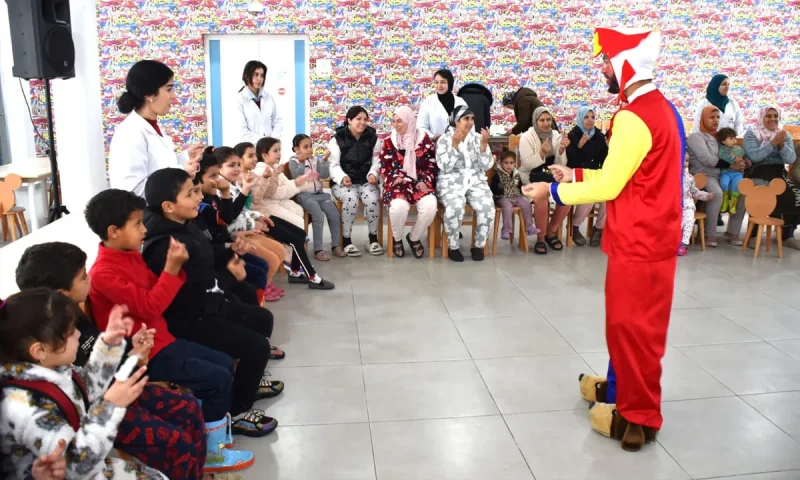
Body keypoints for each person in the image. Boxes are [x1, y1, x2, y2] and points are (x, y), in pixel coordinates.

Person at [523, 27, 683, 452]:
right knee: (627, 326)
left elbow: (611, 185)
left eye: (607, 63)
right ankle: (616, 388)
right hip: (653, 238)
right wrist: (574, 174)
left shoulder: (632, 117)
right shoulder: (663, 108)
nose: (603, 71)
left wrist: (552, 192)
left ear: (624, 65)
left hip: (639, 241)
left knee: (635, 331)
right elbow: (631, 174)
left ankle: (636, 417)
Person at [15, 242, 250, 479]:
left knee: (189, 408)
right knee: (178, 444)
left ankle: (198, 472)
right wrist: (113, 394)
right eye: (83, 277)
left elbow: (92, 375)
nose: (89, 279)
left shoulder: (66, 317)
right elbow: (77, 447)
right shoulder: (35, 388)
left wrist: (131, 355)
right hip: (103, 413)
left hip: (115, 391)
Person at [141, 168, 283, 437]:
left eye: (196, 191)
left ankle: (248, 382)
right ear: (168, 206)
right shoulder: (165, 245)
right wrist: (230, 277)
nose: (198, 197)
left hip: (208, 305)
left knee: (262, 319)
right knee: (256, 347)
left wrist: (230, 249)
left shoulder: (182, 224)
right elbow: (191, 291)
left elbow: (203, 255)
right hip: (191, 319)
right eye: (190, 193)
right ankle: (238, 412)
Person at [0, 289, 166, 479]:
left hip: (94, 458)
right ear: (39, 351)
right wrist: (109, 407)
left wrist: (109, 344)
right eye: (70, 332)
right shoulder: (25, 408)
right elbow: (75, 467)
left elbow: (86, 389)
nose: (79, 334)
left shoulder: (52, 368)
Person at [239, 142, 335, 289]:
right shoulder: (244, 177)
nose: (255, 159)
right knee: (295, 239)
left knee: (301, 234)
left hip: (262, 215)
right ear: (240, 159)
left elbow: (261, 196)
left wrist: (272, 176)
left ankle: (295, 273)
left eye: (254, 155)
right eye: (250, 156)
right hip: (259, 218)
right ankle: (313, 277)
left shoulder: (253, 174)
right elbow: (250, 205)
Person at [108, 59, 203, 197]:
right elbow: (132, 191)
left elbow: (160, 168)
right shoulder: (130, 133)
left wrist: (185, 157)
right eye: (169, 89)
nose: (174, 96)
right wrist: (181, 173)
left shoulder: (153, 127)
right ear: (149, 95)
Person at [218, 145, 287, 300]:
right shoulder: (221, 189)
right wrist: (252, 224)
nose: (236, 169)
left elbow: (242, 210)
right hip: (236, 235)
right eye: (231, 165)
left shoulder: (233, 184)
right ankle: (260, 289)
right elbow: (228, 220)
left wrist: (258, 217)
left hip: (246, 229)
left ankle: (265, 284)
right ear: (219, 168)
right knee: (271, 259)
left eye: (237, 165)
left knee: (280, 250)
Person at [436, 105, 495, 262]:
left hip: (476, 182)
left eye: (472, 119)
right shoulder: (444, 140)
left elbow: (487, 165)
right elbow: (444, 166)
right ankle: (453, 246)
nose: (470, 122)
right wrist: (454, 145)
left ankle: (478, 245)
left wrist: (484, 145)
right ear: (456, 121)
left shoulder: (477, 138)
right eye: (466, 118)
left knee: (487, 208)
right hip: (451, 182)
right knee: (455, 207)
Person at [379, 106, 438, 258]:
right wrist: (397, 177)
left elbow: (431, 165)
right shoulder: (389, 142)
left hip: (419, 184)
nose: (396, 125)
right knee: (399, 206)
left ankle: (414, 237)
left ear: (410, 121)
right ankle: (397, 238)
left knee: (430, 205)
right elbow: (384, 167)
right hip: (397, 185)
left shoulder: (424, 141)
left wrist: (424, 180)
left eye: (399, 121)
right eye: (393, 121)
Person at [687, 106, 747, 246]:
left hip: (722, 174)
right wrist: (731, 165)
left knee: (742, 191)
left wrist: (740, 163)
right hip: (703, 175)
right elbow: (706, 159)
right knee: (717, 193)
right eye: (711, 117)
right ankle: (710, 234)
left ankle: (733, 232)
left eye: (718, 117)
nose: (715, 120)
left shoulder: (720, 138)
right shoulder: (696, 137)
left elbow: (732, 154)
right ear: (703, 118)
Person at [328, 106, 384, 256]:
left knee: (372, 199)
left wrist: (373, 173)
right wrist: (343, 177)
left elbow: (377, 161)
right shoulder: (337, 139)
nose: (362, 122)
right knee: (351, 199)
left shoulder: (373, 138)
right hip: (343, 183)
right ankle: (346, 240)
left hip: (365, 181)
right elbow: (333, 165)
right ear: (349, 120)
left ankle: (373, 239)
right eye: (358, 119)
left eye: (365, 119)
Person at [743, 105, 799, 249]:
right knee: (761, 193)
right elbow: (754, 156)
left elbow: (791, 159)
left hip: (778, 173)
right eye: (768, 116)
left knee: (794, 195)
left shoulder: (784, 135)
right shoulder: (752, 134)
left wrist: (782, 145)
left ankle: (787, 235)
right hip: (757, 171)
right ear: (761, 117)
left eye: (775, 116)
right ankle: (754, 234)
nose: (773, 119)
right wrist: (772, 143)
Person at [519, 107, 571, 254]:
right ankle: (541, 237)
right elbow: (527, 164)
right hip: (531, 176)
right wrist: (542, 152)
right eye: (542, 120)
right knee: (541, 196)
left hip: (551, 175)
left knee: (568, 193)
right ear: (535, 121)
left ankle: (551, 232)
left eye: (548, 120)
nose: (546, 123)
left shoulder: (556, 135)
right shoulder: (527, 137)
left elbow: (561, 164)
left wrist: (561, 149)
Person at [288, 134, 345, 260]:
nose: (309, 149)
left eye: (311, 146)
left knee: (335, 214)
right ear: (297, 149)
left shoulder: (314, 160)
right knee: (318, 215)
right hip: (305, 196)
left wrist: (324, 160)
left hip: (320, 194)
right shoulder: (293, 161)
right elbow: (297, 177)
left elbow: (324, 175)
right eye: (305, 147)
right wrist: (301, 162)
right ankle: (318, 249)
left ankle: (336, 245)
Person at [566, 106, 609, 247]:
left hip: (595, 175)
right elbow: (571, 161)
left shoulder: (599, 136)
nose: (590, 120)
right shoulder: (573, 135)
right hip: (578, 174)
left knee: (607, 197)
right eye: (586, 117)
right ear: (580, 118)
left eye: (592, 117)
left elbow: (604, 160)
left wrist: (609, 148)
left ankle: (598, 229)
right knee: (589, 196)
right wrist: (579, 146)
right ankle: (575, 227)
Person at [490, 150, 537, 240]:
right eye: (506, 163)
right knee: (508, 207)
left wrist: (524, 191)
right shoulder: (497, 175)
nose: (509, 165)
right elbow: (493, 188)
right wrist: (503, 191)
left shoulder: (516, 174)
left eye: (511, 163)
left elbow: (519, 186)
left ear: (515, 163)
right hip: (502, 197)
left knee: (526, 204)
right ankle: (506, 230)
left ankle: (529, 227)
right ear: (501, 163)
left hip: (516, 196)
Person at [234, 60, 284, 145]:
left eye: (262, 75)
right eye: (256, 75)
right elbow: (242, 130)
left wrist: (272, 141)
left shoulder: (269, 97)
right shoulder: (239, 99)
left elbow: (277, 121)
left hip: (270, 147)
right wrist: (262, 144)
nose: (259, 79)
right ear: (247, 76)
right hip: (250, 147)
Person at [418, 69, 468, 141]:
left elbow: (468, 124)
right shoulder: (428, 102)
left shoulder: (460, 102)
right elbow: (421, 127)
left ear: (450, 83)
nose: (439, 86)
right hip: (435, 145)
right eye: (436, 82)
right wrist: (432, 136)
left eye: (443, 82)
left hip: (458, 144)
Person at [680, 161, 713, 256]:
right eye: (683, 159)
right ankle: (673, 242)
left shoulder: (690, 177)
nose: (685, 163)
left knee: (689, 220)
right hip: (674, 205)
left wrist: (706, 195)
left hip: (688, 205)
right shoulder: (670, 175)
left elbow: (695, 192)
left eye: (687, 160)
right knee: (676, 222)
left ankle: (684, 244)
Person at [716, 127, 747, 214]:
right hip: (726, 172)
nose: (734, 141)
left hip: (737, 173)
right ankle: (725, 202)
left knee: (736, 185)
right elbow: (721, 156)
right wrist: (733, 158)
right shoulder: (721, 149)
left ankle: (733, 205)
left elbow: (743, 158)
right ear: (723, 141)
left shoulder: (739, 149)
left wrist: (745, 162)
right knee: (723, 184)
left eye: (734, 138)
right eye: (731, 139)